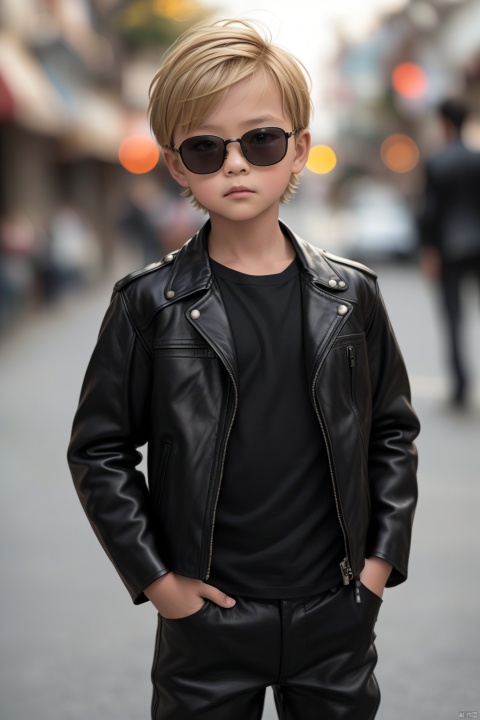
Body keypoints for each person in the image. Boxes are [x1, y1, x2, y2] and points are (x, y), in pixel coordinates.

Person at [67, 19, 420, 720]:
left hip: (335, 614)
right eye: (206, 147)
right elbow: (99, 450)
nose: (235, 164)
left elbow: (392, 434)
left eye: (260, 140)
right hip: (206, 624)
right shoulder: (148, 304)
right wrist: (160, 584)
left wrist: (376, 571)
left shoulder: (353, 297)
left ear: (299, 152)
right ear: (177, 166)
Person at [419, 98, 480, 408]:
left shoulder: (438, 162)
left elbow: (429, 213)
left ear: (444, 123)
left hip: (450, 248)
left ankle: (460, 387)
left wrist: (429, 251)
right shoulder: (477, 159)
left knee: (454, 320)